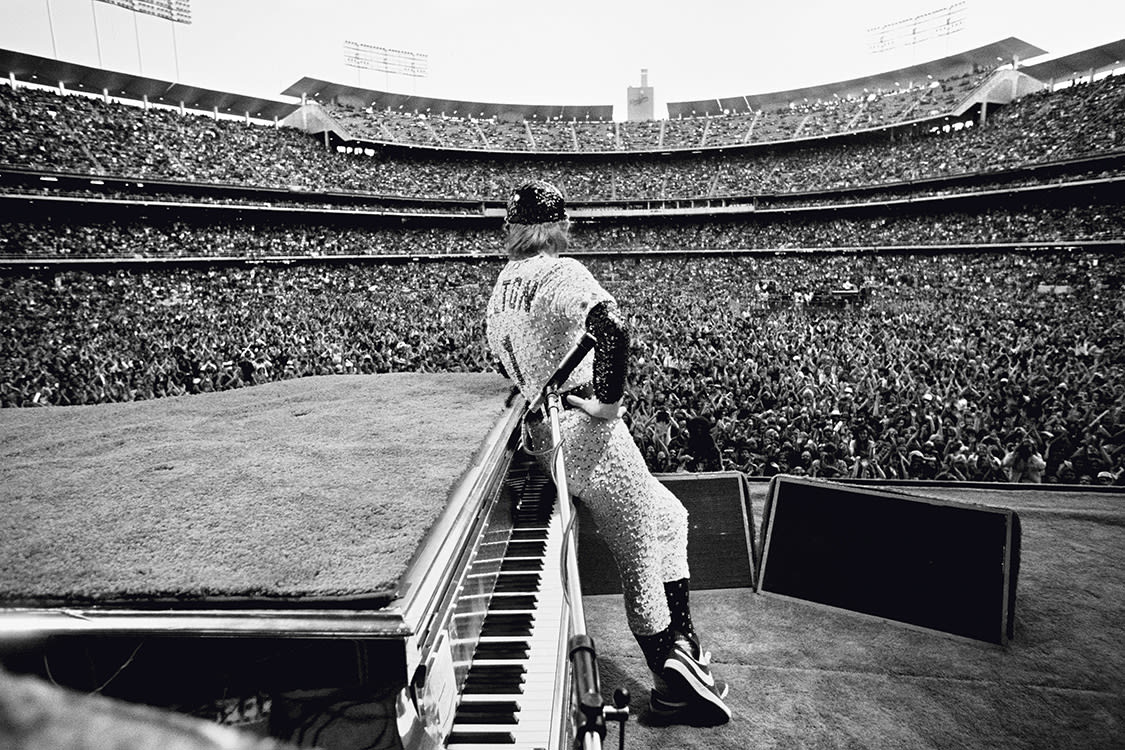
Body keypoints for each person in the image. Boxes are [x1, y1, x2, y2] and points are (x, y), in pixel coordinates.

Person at [485, 180, 731, 724]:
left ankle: (683, 643)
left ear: (513, 227)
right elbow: (613, 328)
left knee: (670, 513)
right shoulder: (562, 270)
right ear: (559, 225)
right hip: (587, 434)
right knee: (639, 544)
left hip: (545, 434)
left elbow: (508, 360)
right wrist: (607, 404)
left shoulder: (503, 284)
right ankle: (669, 677)